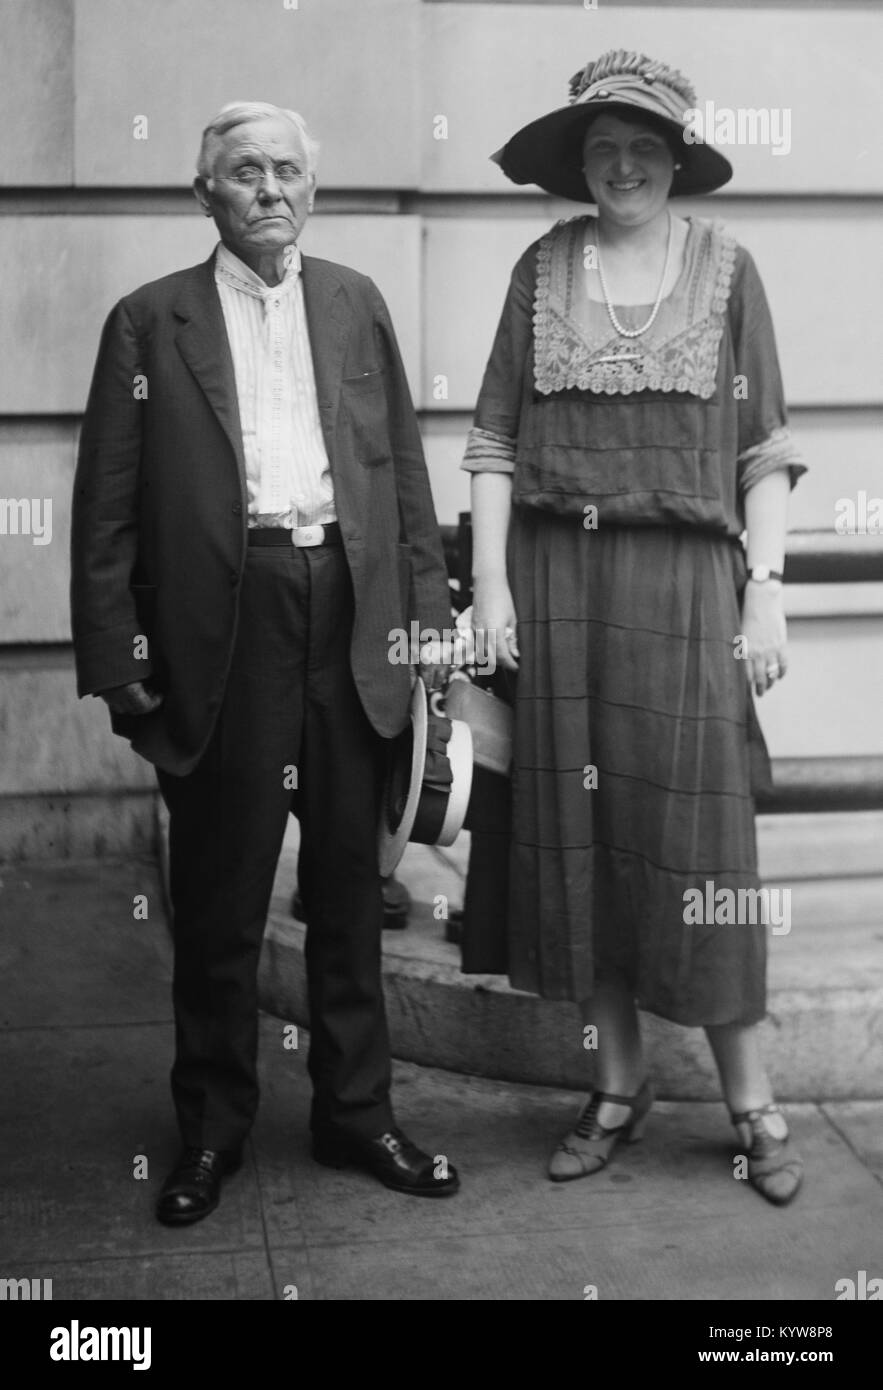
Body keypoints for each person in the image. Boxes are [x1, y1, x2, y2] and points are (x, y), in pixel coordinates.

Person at [71, 101, 459, 1224]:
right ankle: (210, 1133)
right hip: (223, 625)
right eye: (245, 172)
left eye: (288, 169)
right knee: (222, 896)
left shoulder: (353, 303)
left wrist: (426, 621)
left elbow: (402, 480)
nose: (270, 189)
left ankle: (356, 1115)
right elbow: (104, 510)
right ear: (207, 193)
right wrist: (118, 656)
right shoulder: (150, 322)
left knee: (348, 885)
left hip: (347, 608)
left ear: (312, 187)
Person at [464, 52, 805, 1205]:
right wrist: (492, 593)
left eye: (643, 146)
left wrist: (765, 589)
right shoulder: (540, 267)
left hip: (686, 585)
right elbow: (494, 442)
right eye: (602, 145)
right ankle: (615, 1087)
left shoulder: (728, 269)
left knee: (706, 850)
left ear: (674, 158)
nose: (622, 165)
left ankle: (751, 1102)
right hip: (560, 584)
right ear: (580, 160)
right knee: (582, 835)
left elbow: (764, 450)